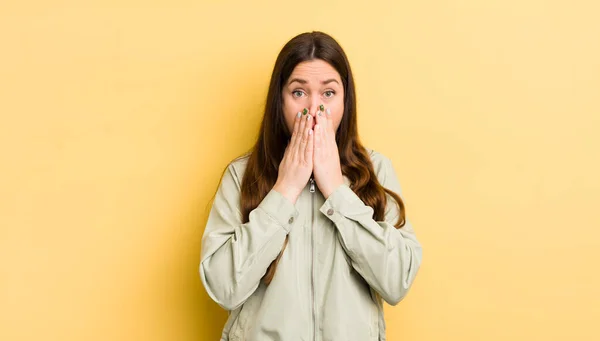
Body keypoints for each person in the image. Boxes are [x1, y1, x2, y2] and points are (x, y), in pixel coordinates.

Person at [199, 31, 423, 341]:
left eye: (328, 93)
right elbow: (223, 287)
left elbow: (397, 281)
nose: (314, 108)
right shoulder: (242, 175)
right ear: (280, 100)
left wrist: (336, 190)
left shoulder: (376, 171)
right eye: (299, 93)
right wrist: (284, 190)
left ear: (346, 101)